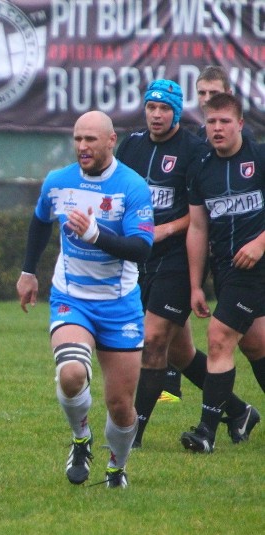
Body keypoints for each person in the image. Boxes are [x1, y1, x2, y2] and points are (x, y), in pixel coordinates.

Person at [16, 110, 154, 488]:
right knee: (72, 374)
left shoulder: (132, 187)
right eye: (77, 138)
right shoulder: (58, 181)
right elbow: (40, 220)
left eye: (90, 139)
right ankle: (81, 439)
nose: (82, 146)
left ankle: (116, 468)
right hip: (71, 296)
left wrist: (96, 235)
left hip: (119, 303)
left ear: (111, 141)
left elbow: (141, 248)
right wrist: (29, 271)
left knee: (121, 407)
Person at [116, 80, 256, 448]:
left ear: (177, 112)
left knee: (155, 339)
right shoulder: (131, 146)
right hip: (142, 262)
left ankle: (134, 433)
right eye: (151, 107)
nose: (157, 115)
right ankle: (240, 411)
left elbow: (195, 220)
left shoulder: (196, 151)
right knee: (186, 352)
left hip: (175, 260)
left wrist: (163, 231)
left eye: (164, 108)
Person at [180, 93, 265, 453]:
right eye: (211, 121)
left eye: (224, 122)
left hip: (257, 266)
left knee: (218, 338)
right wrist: (195, 284)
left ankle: (206, 432)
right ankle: (244, 416)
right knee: (256, 343)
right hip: (226, 270)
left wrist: (261, 242)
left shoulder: (260, 157)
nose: (217, 128)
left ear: (240, 124)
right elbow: (198, 228)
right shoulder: (200, 165)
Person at [194, 66, 255, 141]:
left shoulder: (243, 136)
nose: (207, 99)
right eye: (202, 93)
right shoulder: (201, 132)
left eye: (214, 93)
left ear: (228, 94)